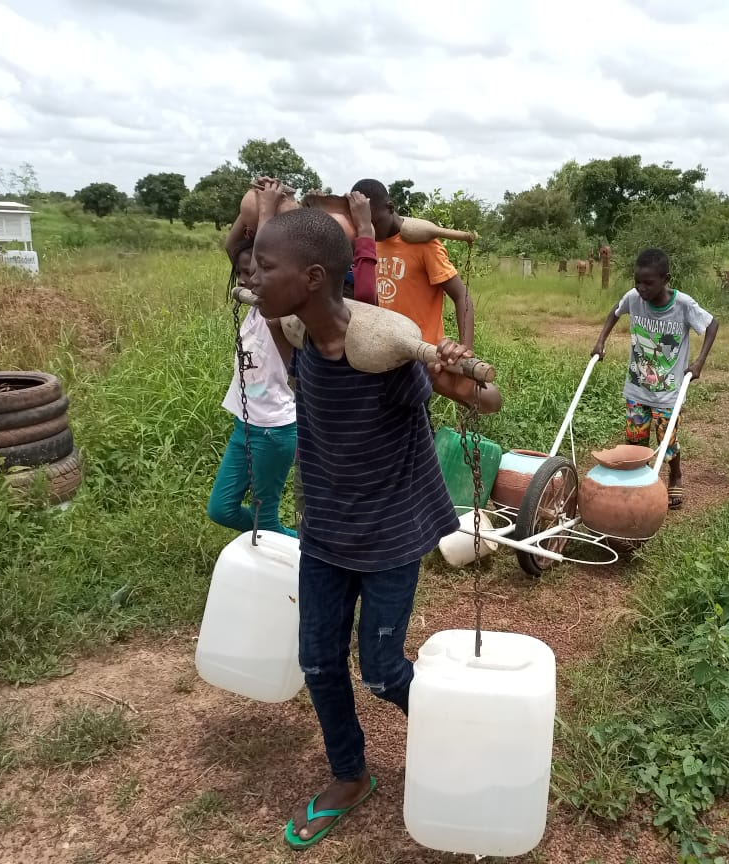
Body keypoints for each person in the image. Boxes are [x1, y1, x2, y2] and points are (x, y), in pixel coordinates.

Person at [245, 206, 500, 850]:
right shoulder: (297, 336)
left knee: (383, 670)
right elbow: (250, 280)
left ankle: (455, 740)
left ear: (310, 278)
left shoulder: (386, 355)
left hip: (388, 533)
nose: (253, 273)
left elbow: (484, 400)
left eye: (266, 265)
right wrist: (261, 212)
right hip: (328, 531)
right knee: (319, 662)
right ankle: (350, 775)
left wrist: (459, 379)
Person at [591, 247, 718, 509]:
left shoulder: (683, 305)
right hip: (637, 387)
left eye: (648, 283)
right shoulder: (633, 298)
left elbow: (712, 324)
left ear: (665, 279)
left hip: (668, 393)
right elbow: (614, 312)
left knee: (666, 441)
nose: (641, 288)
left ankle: (675, 474)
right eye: (637, 281)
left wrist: (699, 362)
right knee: (635, 440)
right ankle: (641, 481)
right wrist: (600, 341)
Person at [206, 203, 299, 537]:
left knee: (267, 518)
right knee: (221, 508)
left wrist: (268, 209)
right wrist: (250, 212)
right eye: (243, 273)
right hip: (244, 424)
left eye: (255, 272)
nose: (248, 280)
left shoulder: (281, 316)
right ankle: (293, 545)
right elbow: (233, 248)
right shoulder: (254, 309)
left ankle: (310, 550)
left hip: (273, 431)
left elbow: (264, 264)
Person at [349, 178, 474, 349]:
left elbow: (461, 296)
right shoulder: (367, 242)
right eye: (364, 224)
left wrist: (465, 348)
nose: (371, 230)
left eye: (375, 223)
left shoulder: (423, 244)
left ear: (390, 207)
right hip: (387, 350)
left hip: (423, 353)